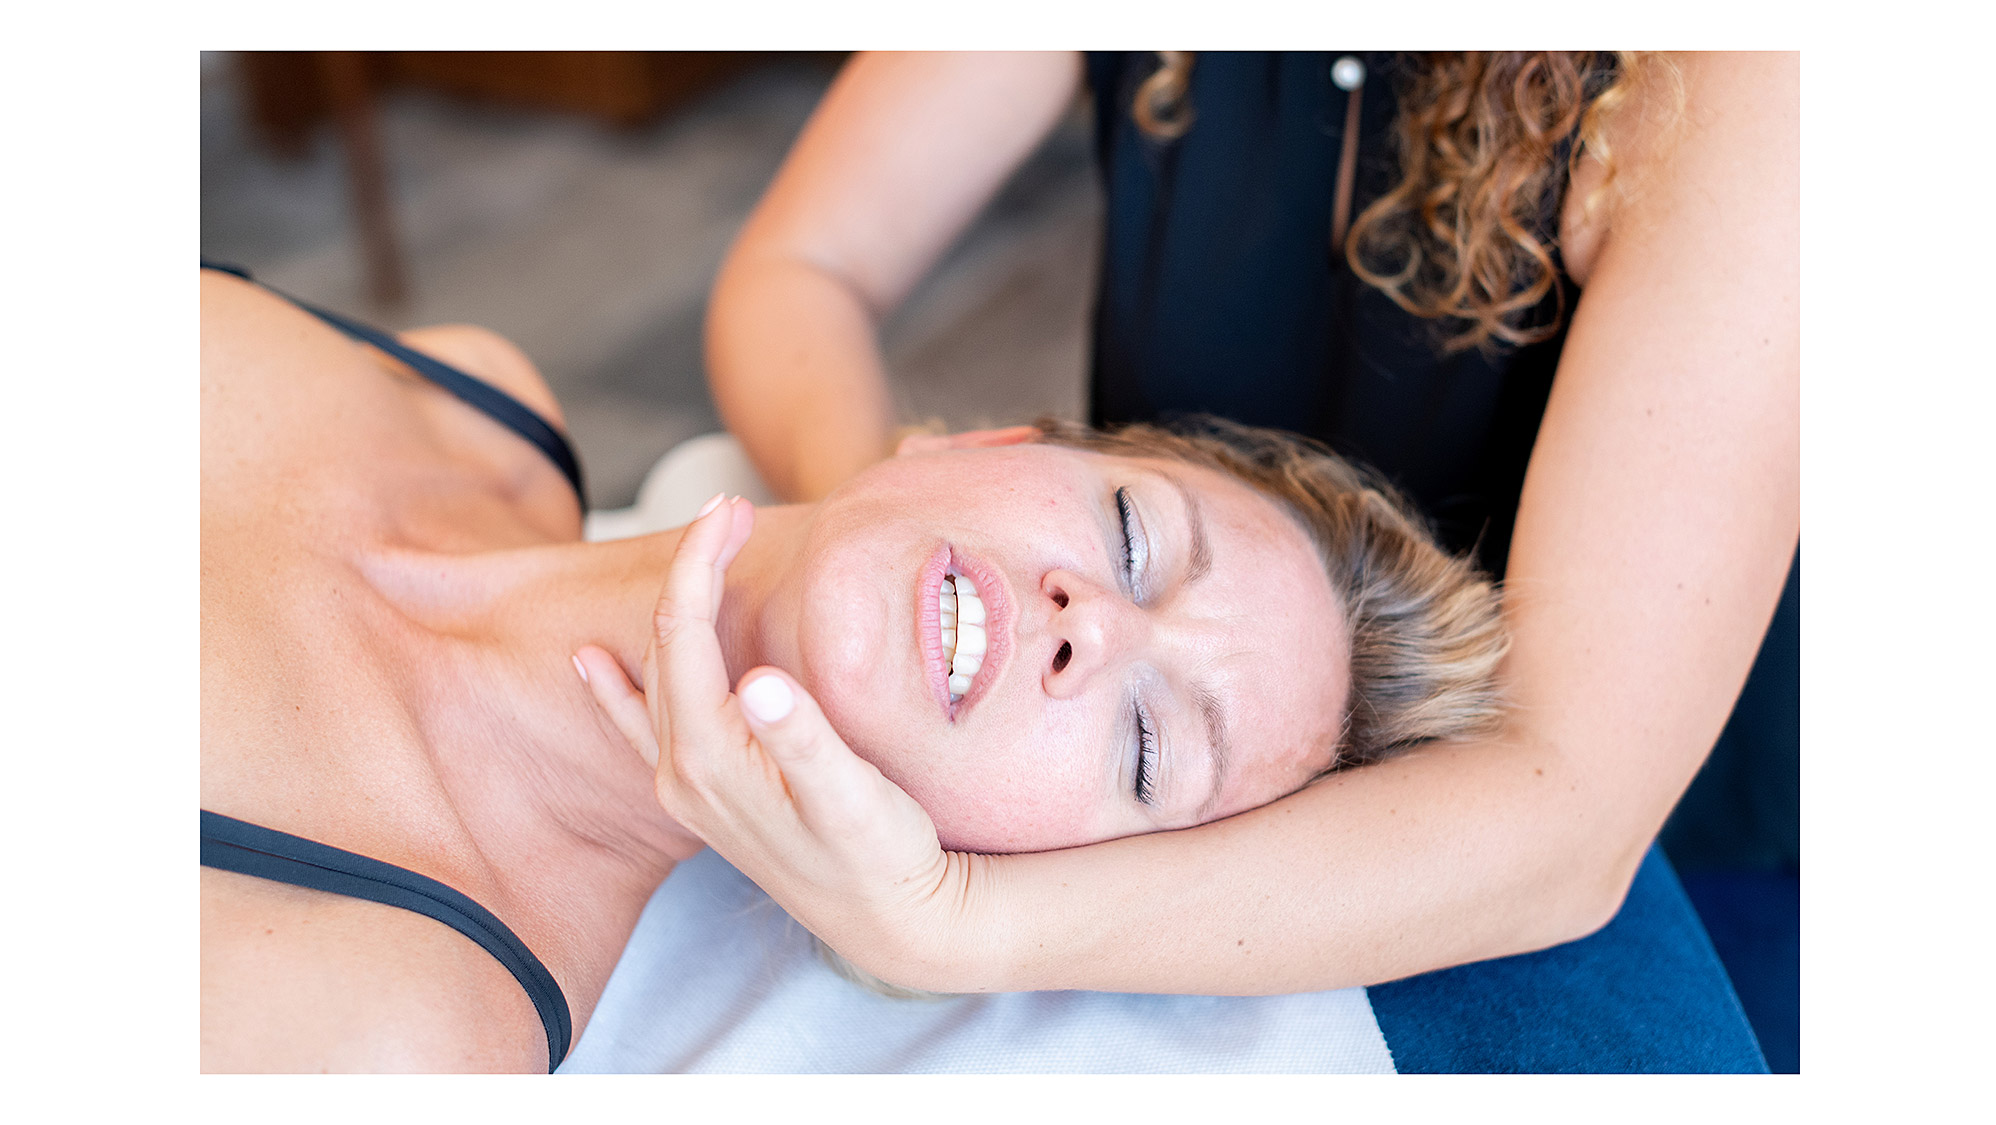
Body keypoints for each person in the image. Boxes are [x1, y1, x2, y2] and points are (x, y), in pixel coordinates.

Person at [667, 50, 1798, 1030]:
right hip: (1107, 758)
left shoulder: (1750, 83)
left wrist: (949, 926)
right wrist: (903, 544)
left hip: (1587, 856)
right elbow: (804, 269)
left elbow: (1568, 819)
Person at [197, 262, 1506, 1071]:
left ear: (1032, 874)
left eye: (1150, 747)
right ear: (977, 442)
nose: (1088, 625)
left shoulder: (398, 1023)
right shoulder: (472, 398)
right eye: (1129, 534)